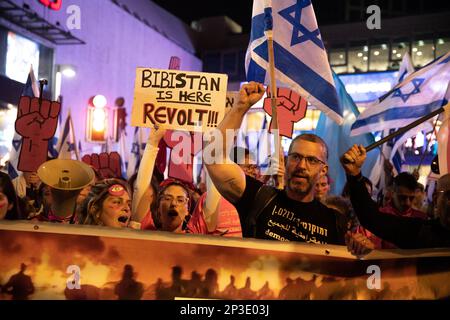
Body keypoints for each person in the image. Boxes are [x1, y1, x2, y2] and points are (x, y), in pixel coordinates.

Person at [205, 81, 344, 245]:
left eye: (312, 160)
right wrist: (240, 107)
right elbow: (213, 158)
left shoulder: (335, 222)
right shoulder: (259, 198)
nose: (301, 166)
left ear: (323, 170)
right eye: (296, 157)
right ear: (286, 161)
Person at [341, 144, 450, 249]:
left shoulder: (421, 218)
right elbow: (372, 218)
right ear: (436, 199)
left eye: (411, 198)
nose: (407, 203)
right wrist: (355, 175)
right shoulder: (425, 232)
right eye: (449, 196)